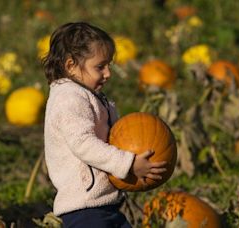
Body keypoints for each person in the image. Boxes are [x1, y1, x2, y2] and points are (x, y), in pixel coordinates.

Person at [42, 22, 167, 228]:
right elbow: (83, 144)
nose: (108, 73)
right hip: (84, 209)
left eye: (109, 65)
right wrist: (128, 164)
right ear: (70, 65)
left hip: (104, 205)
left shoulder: (88, 95)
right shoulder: (68, 98)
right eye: (100, 67)